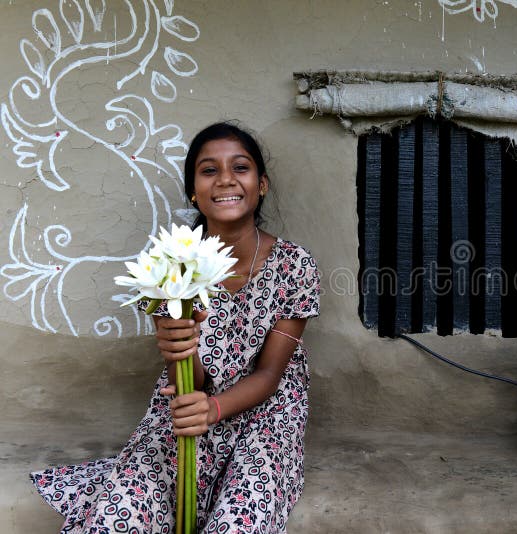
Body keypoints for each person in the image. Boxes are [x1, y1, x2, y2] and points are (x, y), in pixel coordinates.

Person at [31, 122, 321, 533]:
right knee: (124, 507)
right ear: (193, 191)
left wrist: (214, 409)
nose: (225, 179)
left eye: (240, 168)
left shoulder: (296, 265)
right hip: (187, 402)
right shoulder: (170, 265)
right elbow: (190, 378)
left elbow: (271, 375)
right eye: (208, 170)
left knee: (241, 515)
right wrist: (178, 352)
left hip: (265, 411)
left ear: (262, 185)